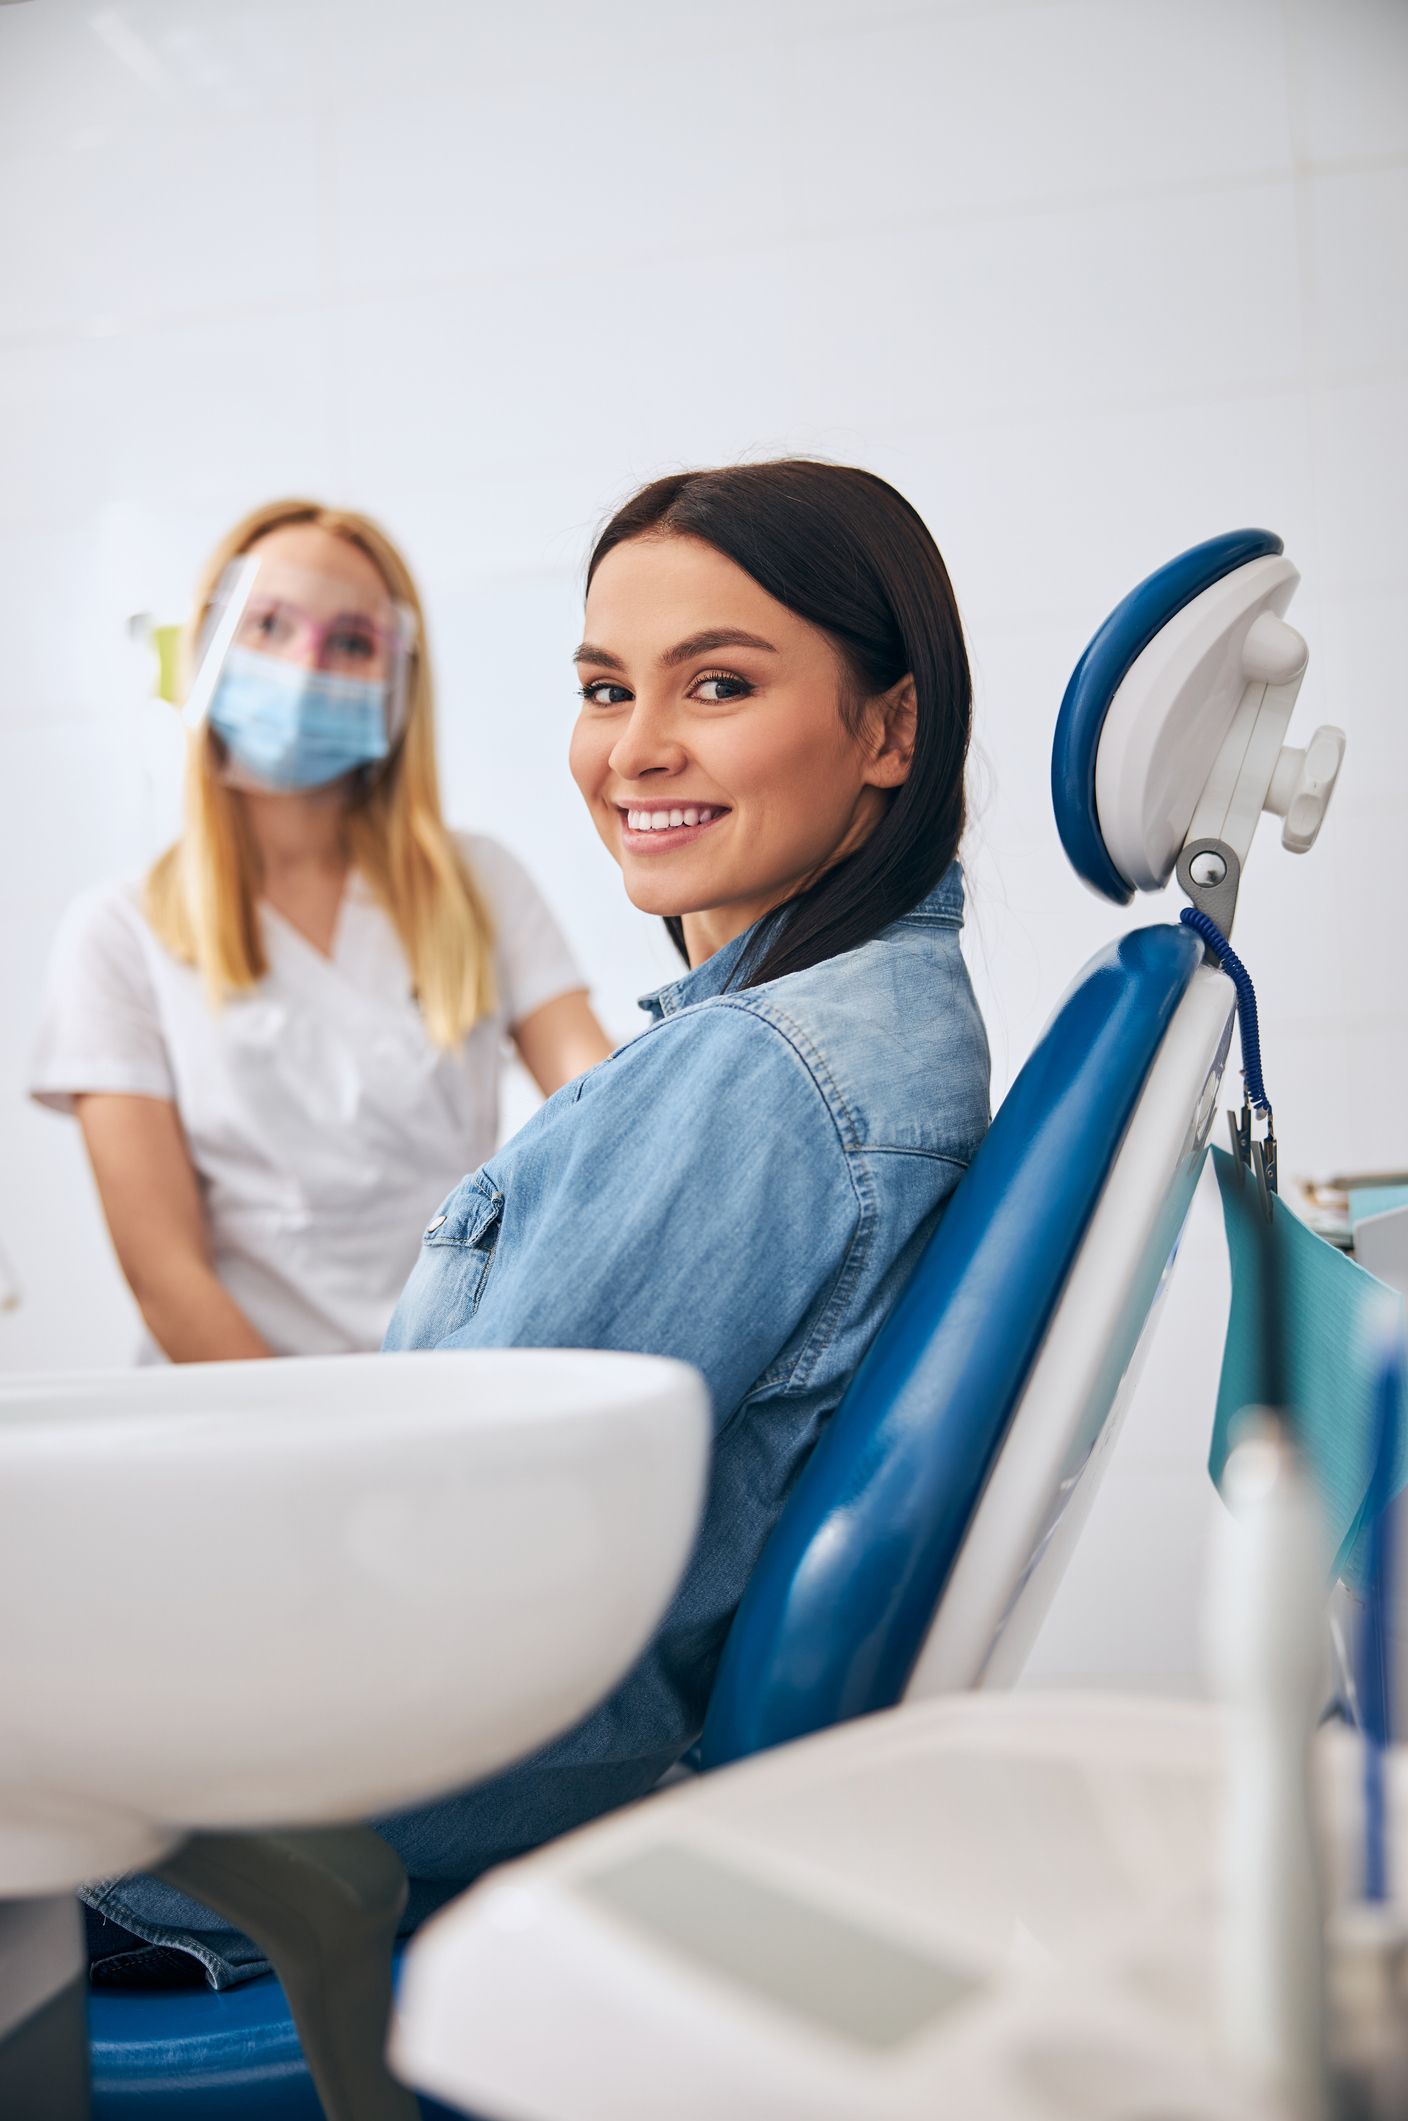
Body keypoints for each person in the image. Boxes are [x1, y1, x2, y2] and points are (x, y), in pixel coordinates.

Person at [81, 460, 992, 1987]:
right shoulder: (854, 1031)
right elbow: (178, 1272)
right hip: (311, 1523)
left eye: (714, 682)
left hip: (380, 1737)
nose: (636, 746)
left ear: (889, 725)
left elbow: (469, 1528)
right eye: (601, 686)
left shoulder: (759, 1075)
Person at [30, 500, 610, 1363]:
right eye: (268, 625)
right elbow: (165, 1273)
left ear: (397, 680)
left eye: (349, 642)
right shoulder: (119, 934)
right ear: (207, 649)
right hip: (238, 1417)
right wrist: (312, 1453)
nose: (305, 667)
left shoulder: (478, 884)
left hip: (453, 1382)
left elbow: (605, 1109)